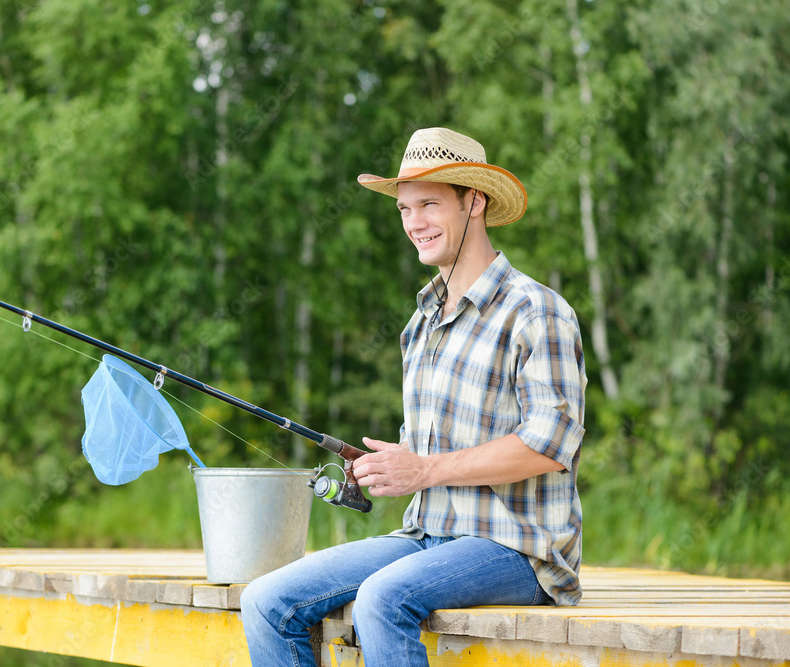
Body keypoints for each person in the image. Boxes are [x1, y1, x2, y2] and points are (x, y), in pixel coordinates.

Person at [241, 127, 586, 666]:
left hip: (520, 551)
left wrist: (423, 470)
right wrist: (386, 469)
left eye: (429, 204)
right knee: (266, 600)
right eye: (404, 208)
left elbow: (548, 446)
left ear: (475, 201)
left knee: (382, 600)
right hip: (426, 537)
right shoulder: (421, 323)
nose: (414, 223)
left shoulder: (536, 311)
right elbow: (423, 455)